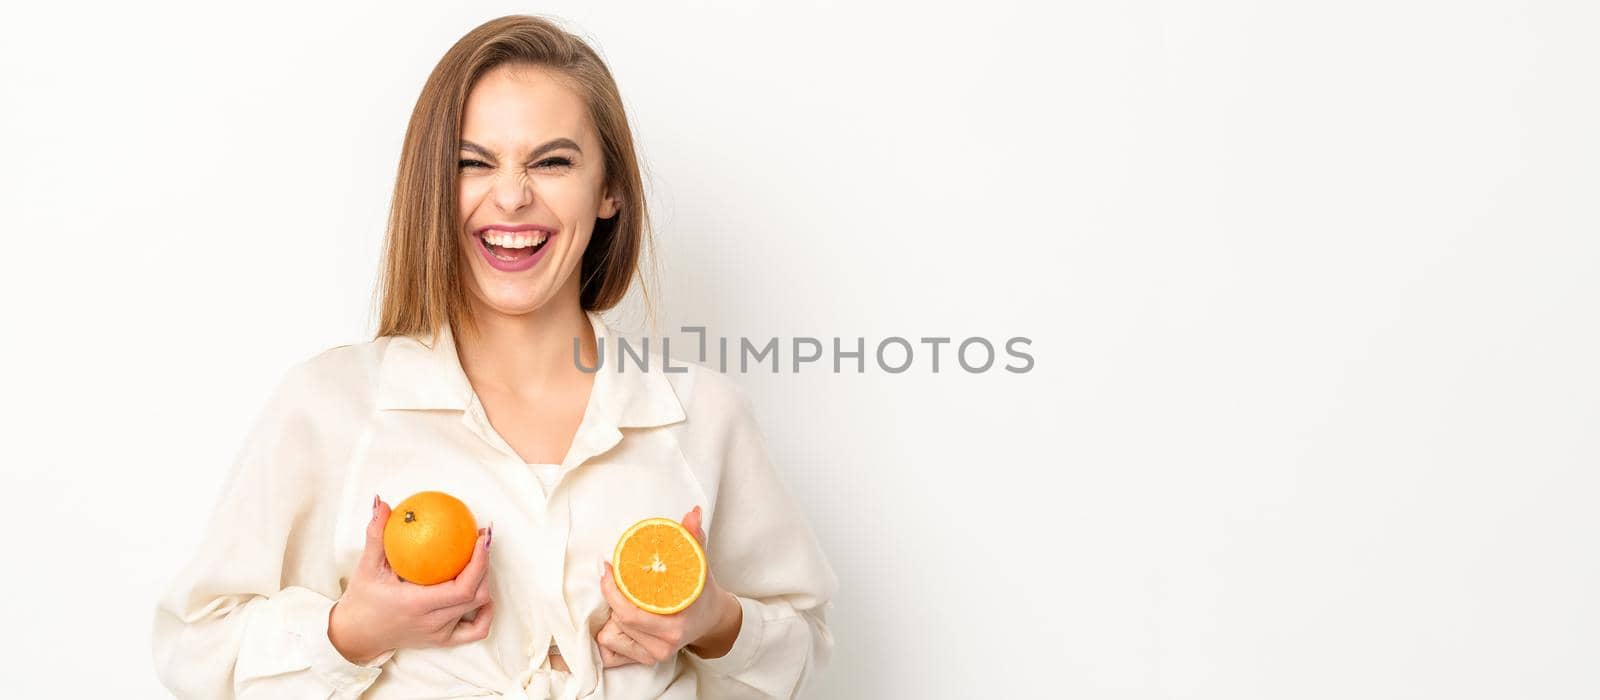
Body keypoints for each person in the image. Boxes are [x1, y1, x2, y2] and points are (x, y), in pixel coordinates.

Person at [151, 14, 837, 699]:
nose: (511, 195)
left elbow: (802, 648)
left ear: (609, 191)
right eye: (472, 163)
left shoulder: (702, 415)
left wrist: (715, 620)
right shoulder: (332, 405)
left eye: (552, 161)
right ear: (434, 188)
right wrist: (351, 632)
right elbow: (195, 653)